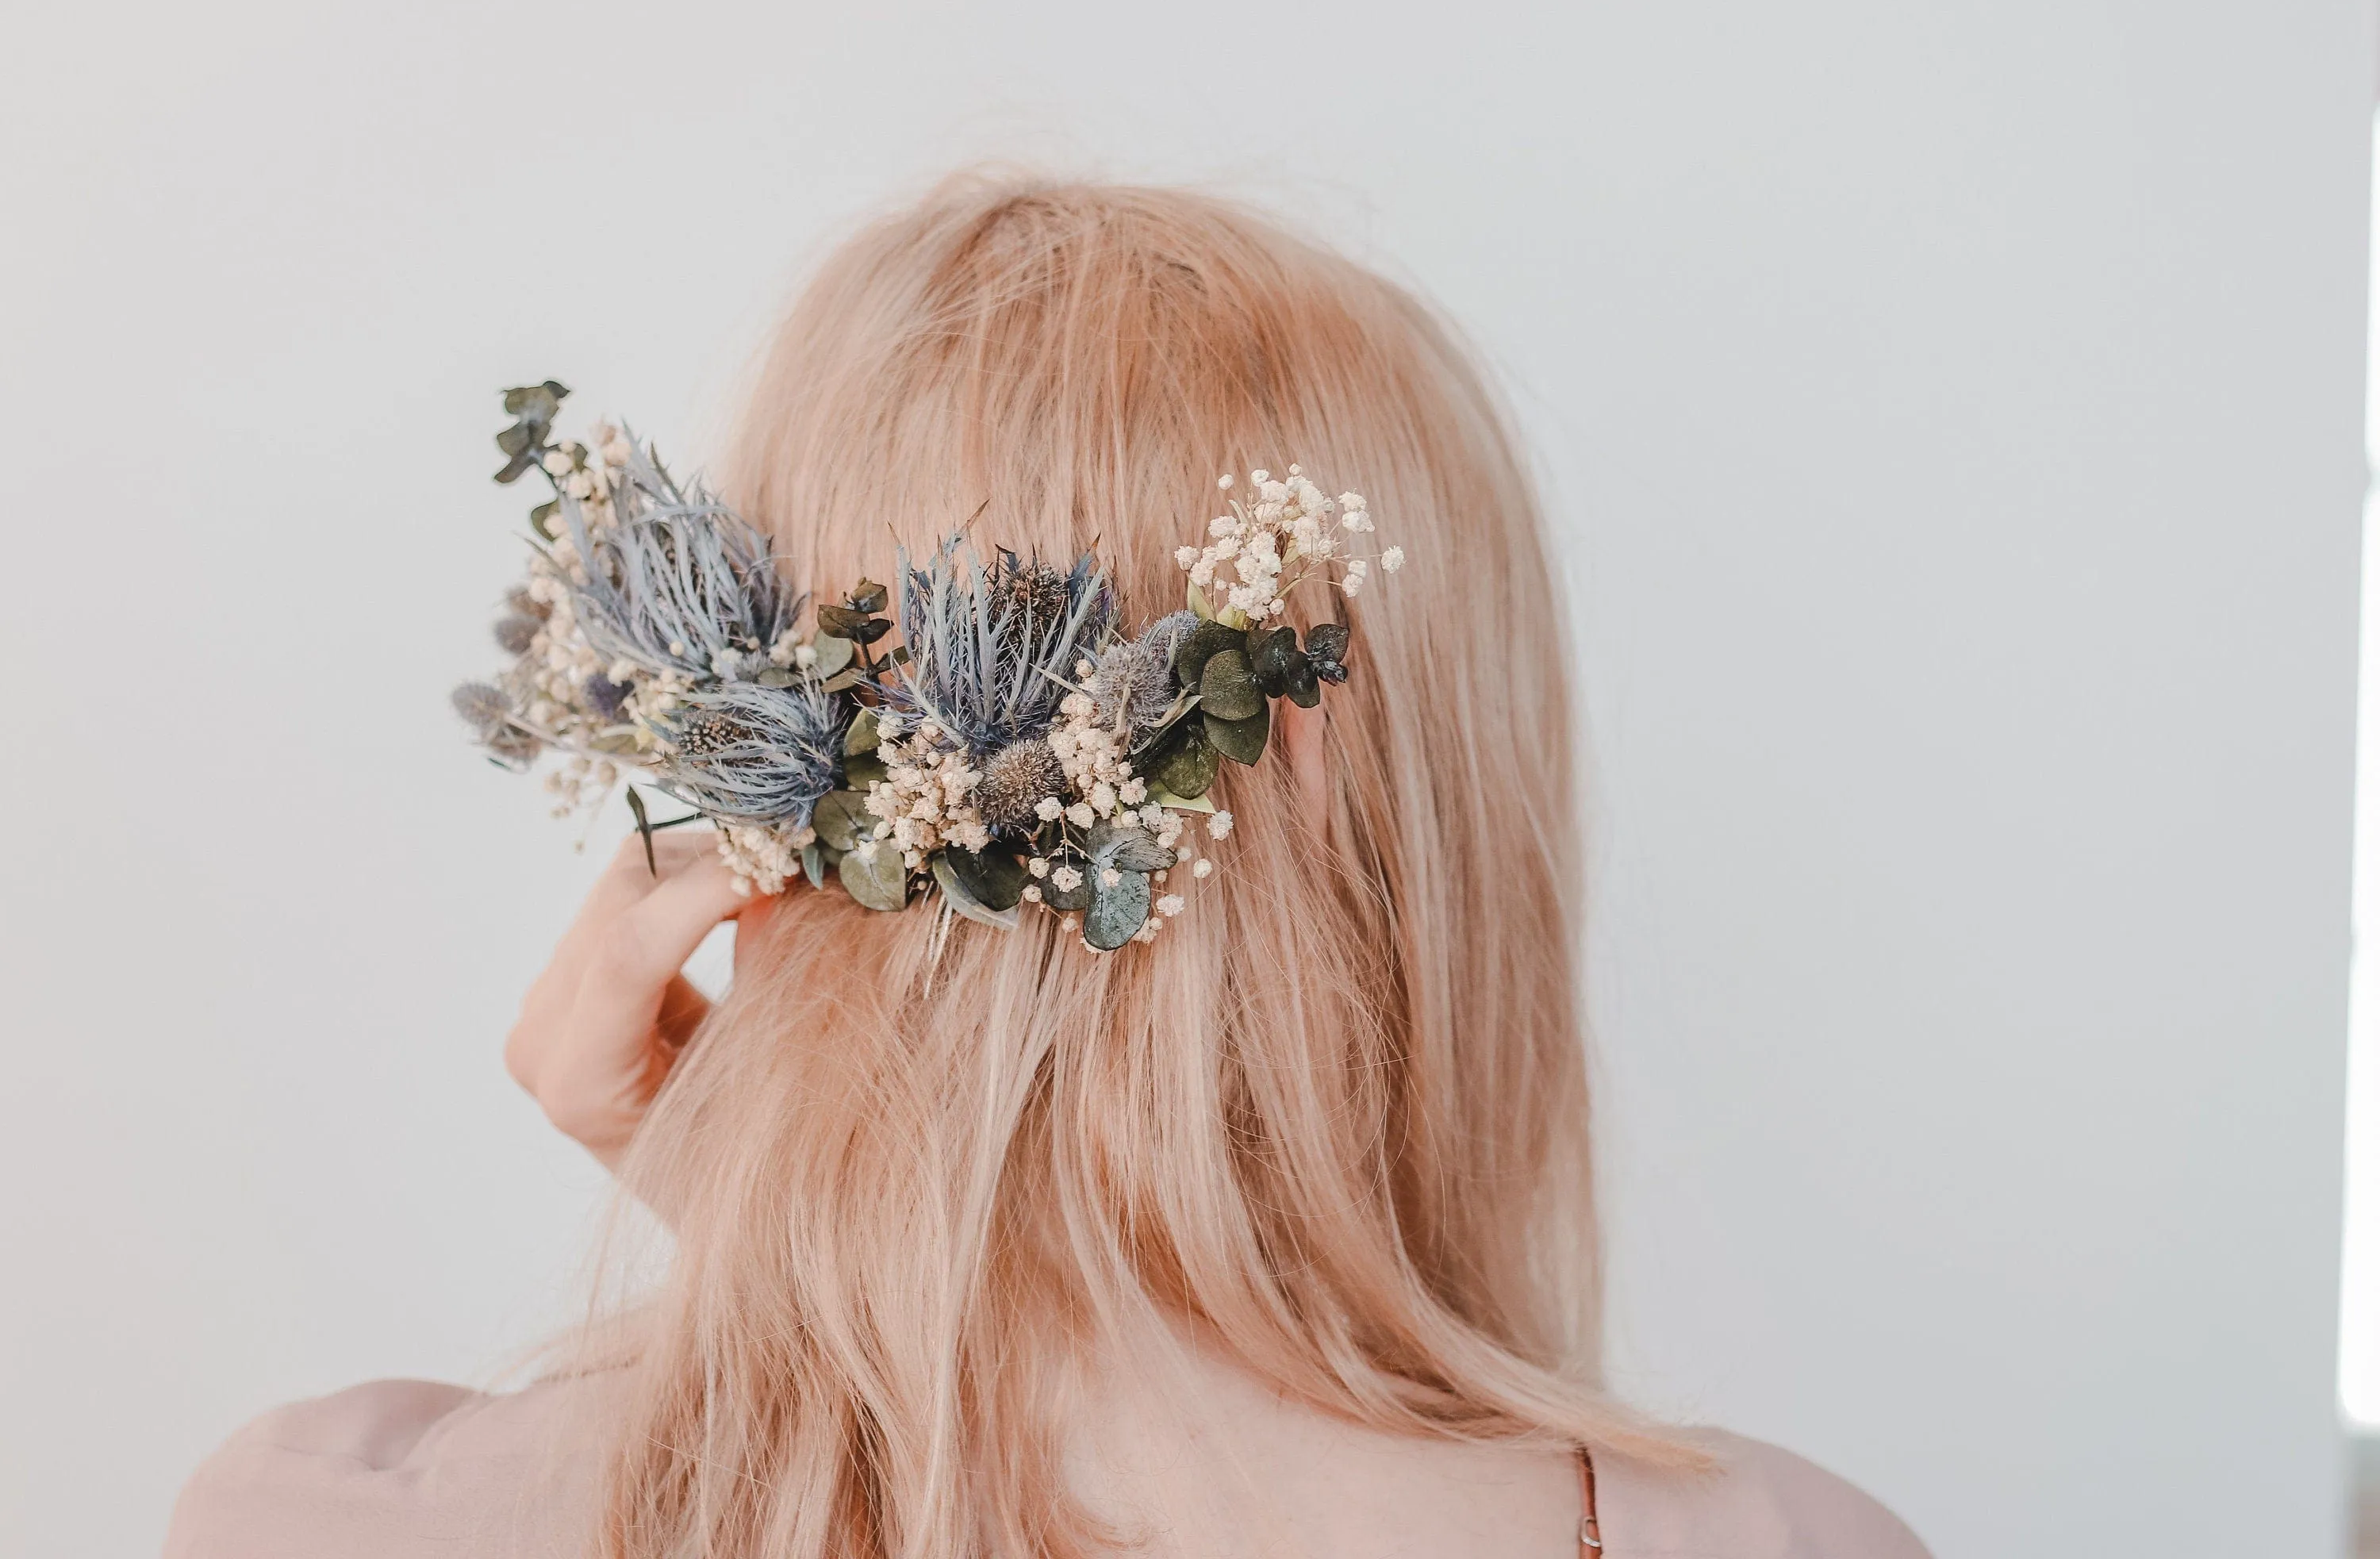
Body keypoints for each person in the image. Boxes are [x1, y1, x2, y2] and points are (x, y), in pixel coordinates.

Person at [166, 178, 1930, 1558]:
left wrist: (802, 1231)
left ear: (758, 762)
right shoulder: (1774, 1545)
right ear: (1331, 758)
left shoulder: (323, 1518)